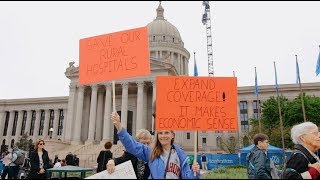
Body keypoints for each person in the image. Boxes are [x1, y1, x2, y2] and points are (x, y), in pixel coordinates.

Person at [111, 111, 200, 179]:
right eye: (160, 133)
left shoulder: (181, 156)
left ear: (172, 135)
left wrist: (195, 172)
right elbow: (132, 145)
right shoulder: (151, 152)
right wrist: (119, 126)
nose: (163, 136)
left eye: (166, 133)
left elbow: (189, 177)